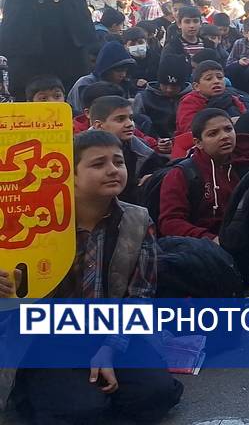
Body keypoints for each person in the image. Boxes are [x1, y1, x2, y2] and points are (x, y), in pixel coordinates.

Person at [0, 130, 183, 424]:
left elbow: (140, 296)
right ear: (69, 175)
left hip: (110, 330)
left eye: (118, 162)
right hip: (48, 338)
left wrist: (108, 349)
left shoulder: (137, 220)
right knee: (80, 411)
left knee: (157, 394)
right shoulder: (32, 221)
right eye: (98, 164)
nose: (112, 170)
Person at [158, 109, 249, 241]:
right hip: (202, 250)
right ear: (198, 143)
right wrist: (211, 240)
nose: (225, 136)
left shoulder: (247, 167)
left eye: (228, 129)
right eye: (213, 134)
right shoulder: (181, 174)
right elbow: (170, 223)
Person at [88, 94, 168, 203]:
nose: (130, 124)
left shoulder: (143, 151)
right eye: (120, 119)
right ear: (98, 126)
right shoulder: (75, 150)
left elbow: (159, 169)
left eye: (130, 118)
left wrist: (154, 177)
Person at [174, 61, 247, 156]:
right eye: (209, 79)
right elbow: (190, 131)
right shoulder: (189, 102)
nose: (216, 81)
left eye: (220, 77)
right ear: (196, 86)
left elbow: (245, 118)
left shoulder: (232, 98)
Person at [67, 41, 138, 114]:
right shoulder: (85, 83)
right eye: (119, 71)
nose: (123, 75)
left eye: (125, 71)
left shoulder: (124, 84)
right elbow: (80, 114)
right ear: (106, 70)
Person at [133, 54, 190, 144]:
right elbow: (137, 128)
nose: (169, 89)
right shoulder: (144, 98)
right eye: (165, 84)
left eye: (174, 86)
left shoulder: (191, 98)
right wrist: (155, 142)